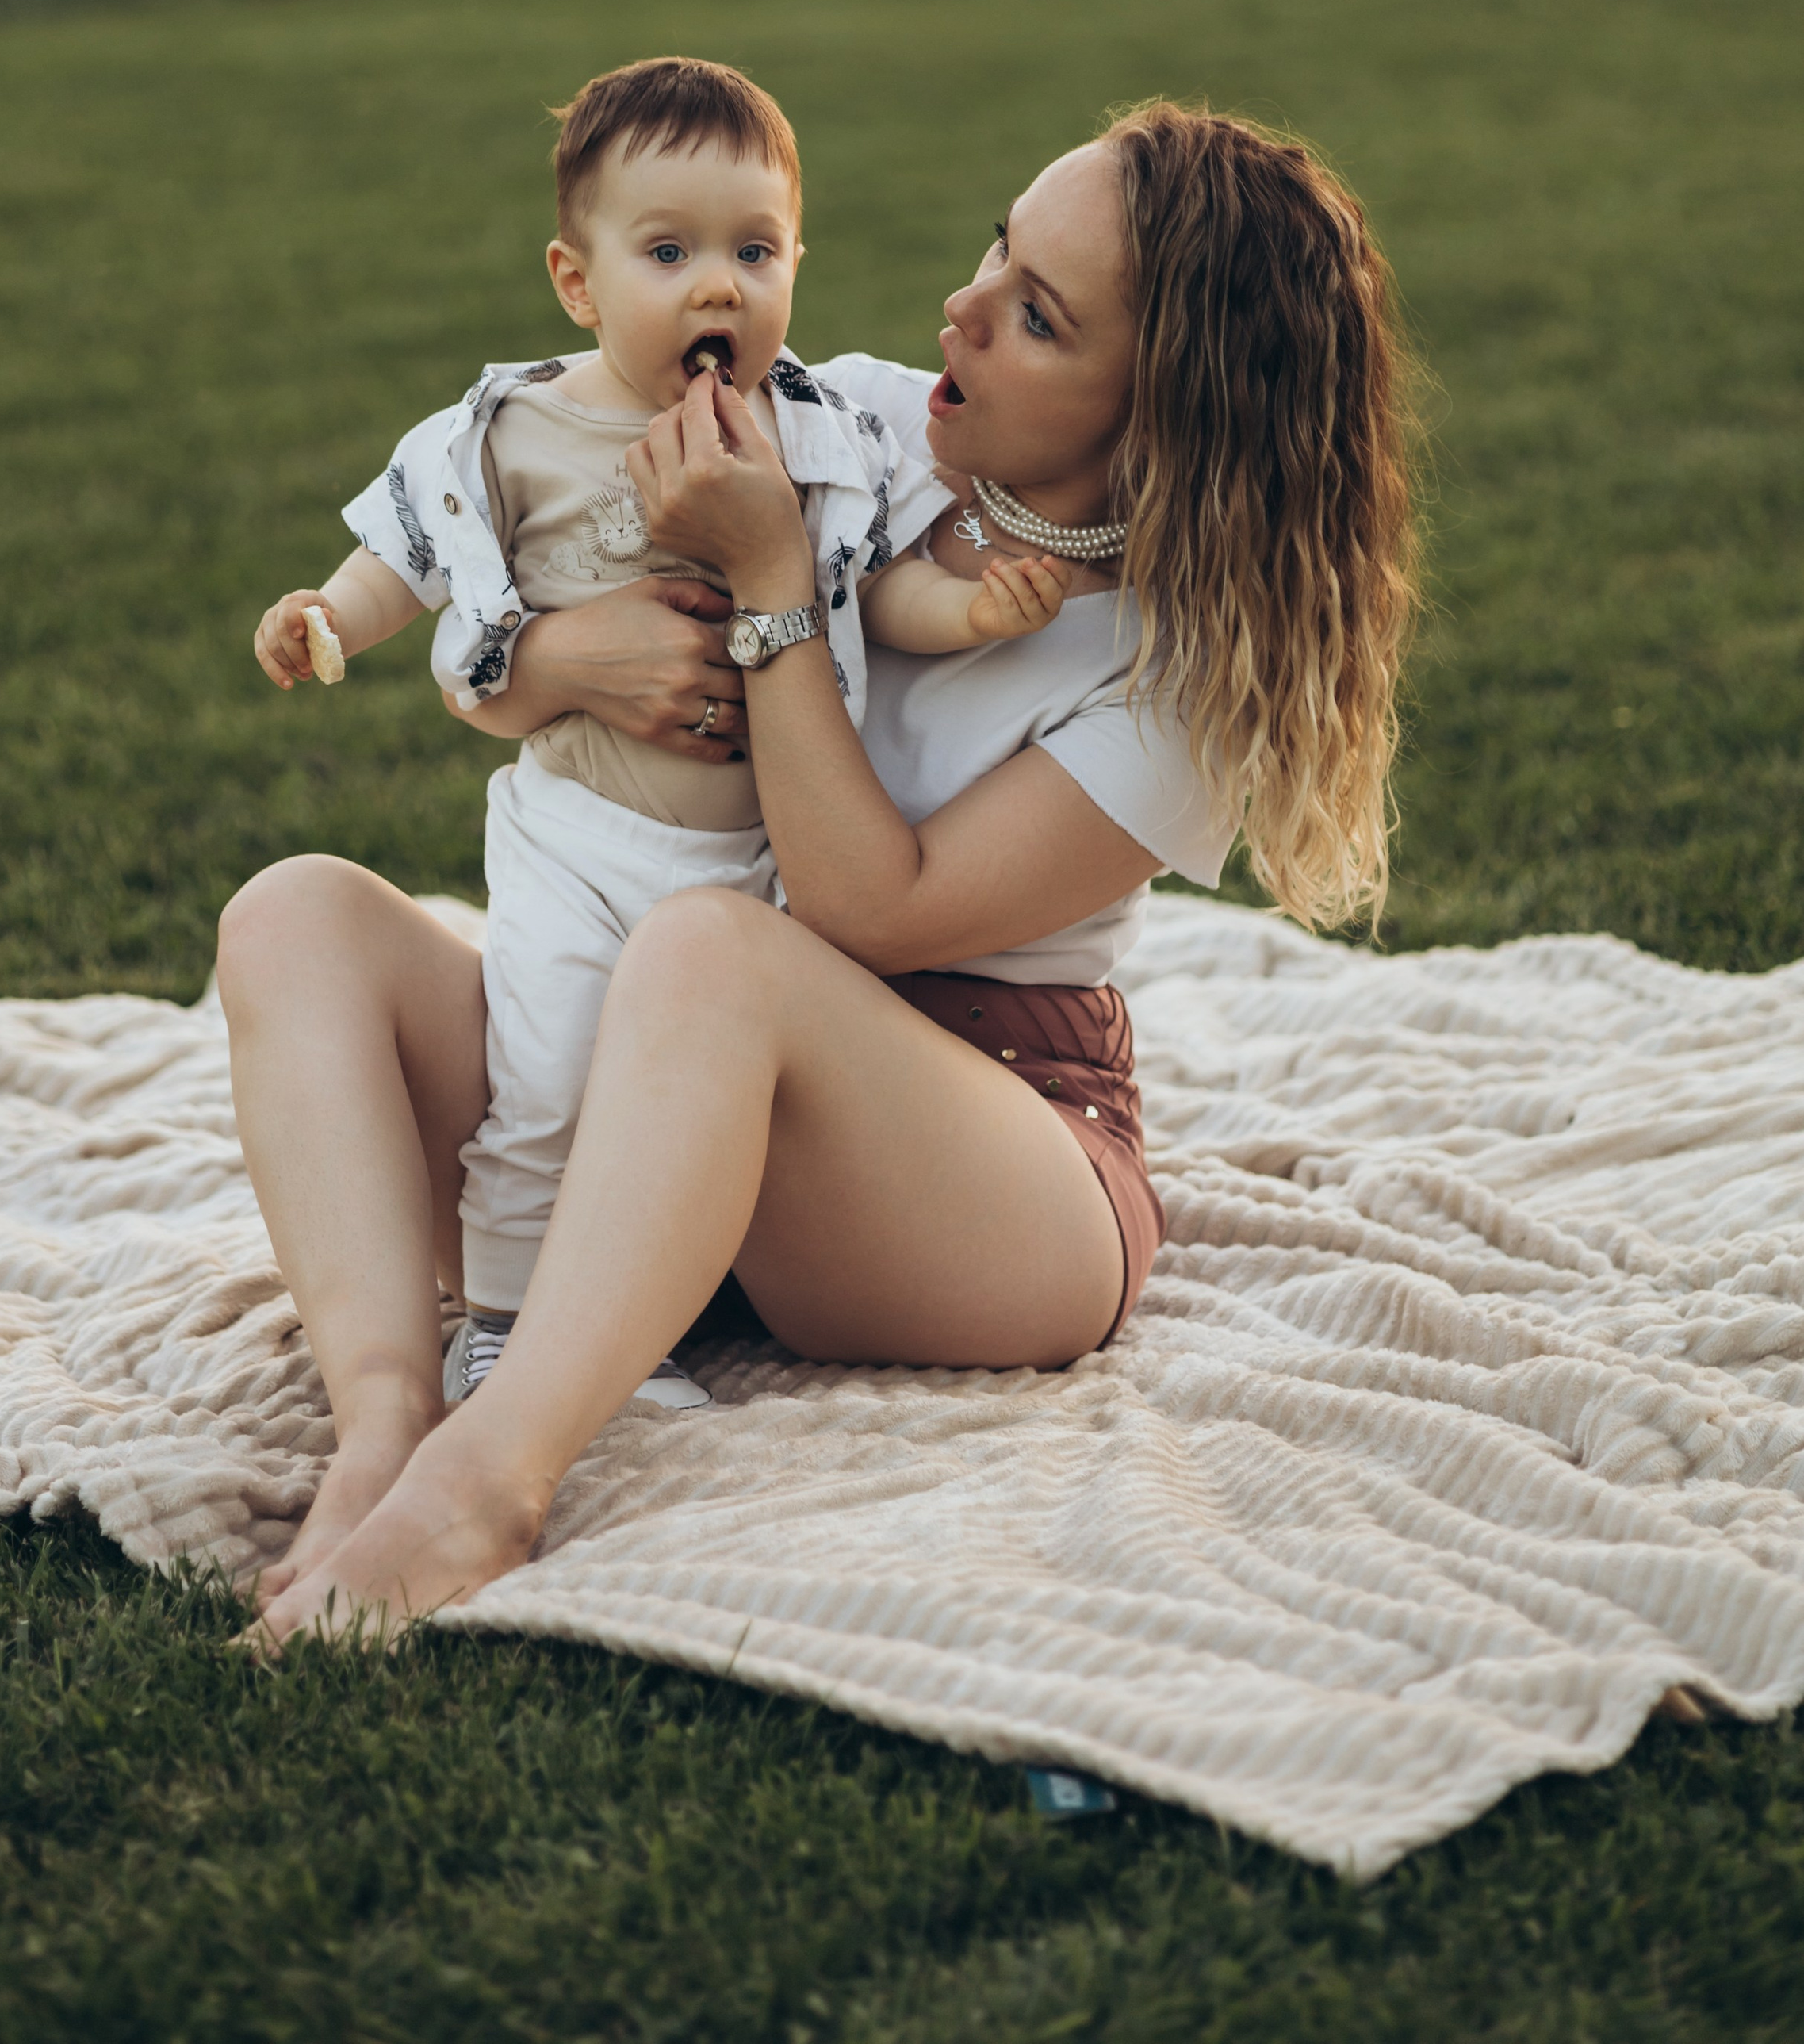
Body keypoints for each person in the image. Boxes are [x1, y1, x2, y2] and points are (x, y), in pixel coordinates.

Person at [222, 100, 1419, 1643]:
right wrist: (565, 658)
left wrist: (774, 573)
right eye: (995, 250)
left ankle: (491, 1478)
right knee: (297, 915)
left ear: (1166, 411)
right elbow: (495, 650)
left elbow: (868, 908)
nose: (958, 312)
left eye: (1034, 317)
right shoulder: (858, 422)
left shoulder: (1181, 672)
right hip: (680, 1102)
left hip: (987, 1173)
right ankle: (387, 1416)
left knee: (709, 950)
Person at [248, 58, 1070, 1411]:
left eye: (754, 251)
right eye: (670, 252)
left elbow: (866, 589)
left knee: (680, 1085)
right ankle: (507, 1318)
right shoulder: (515, 429)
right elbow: (412, 550)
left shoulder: (807, 429)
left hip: (752, 864)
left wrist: (976, 613)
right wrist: (329, 618)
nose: (717, 289)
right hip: (585, 838)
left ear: (799, 259)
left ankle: (645, 1310)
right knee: (553, 1064)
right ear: (578, 281)